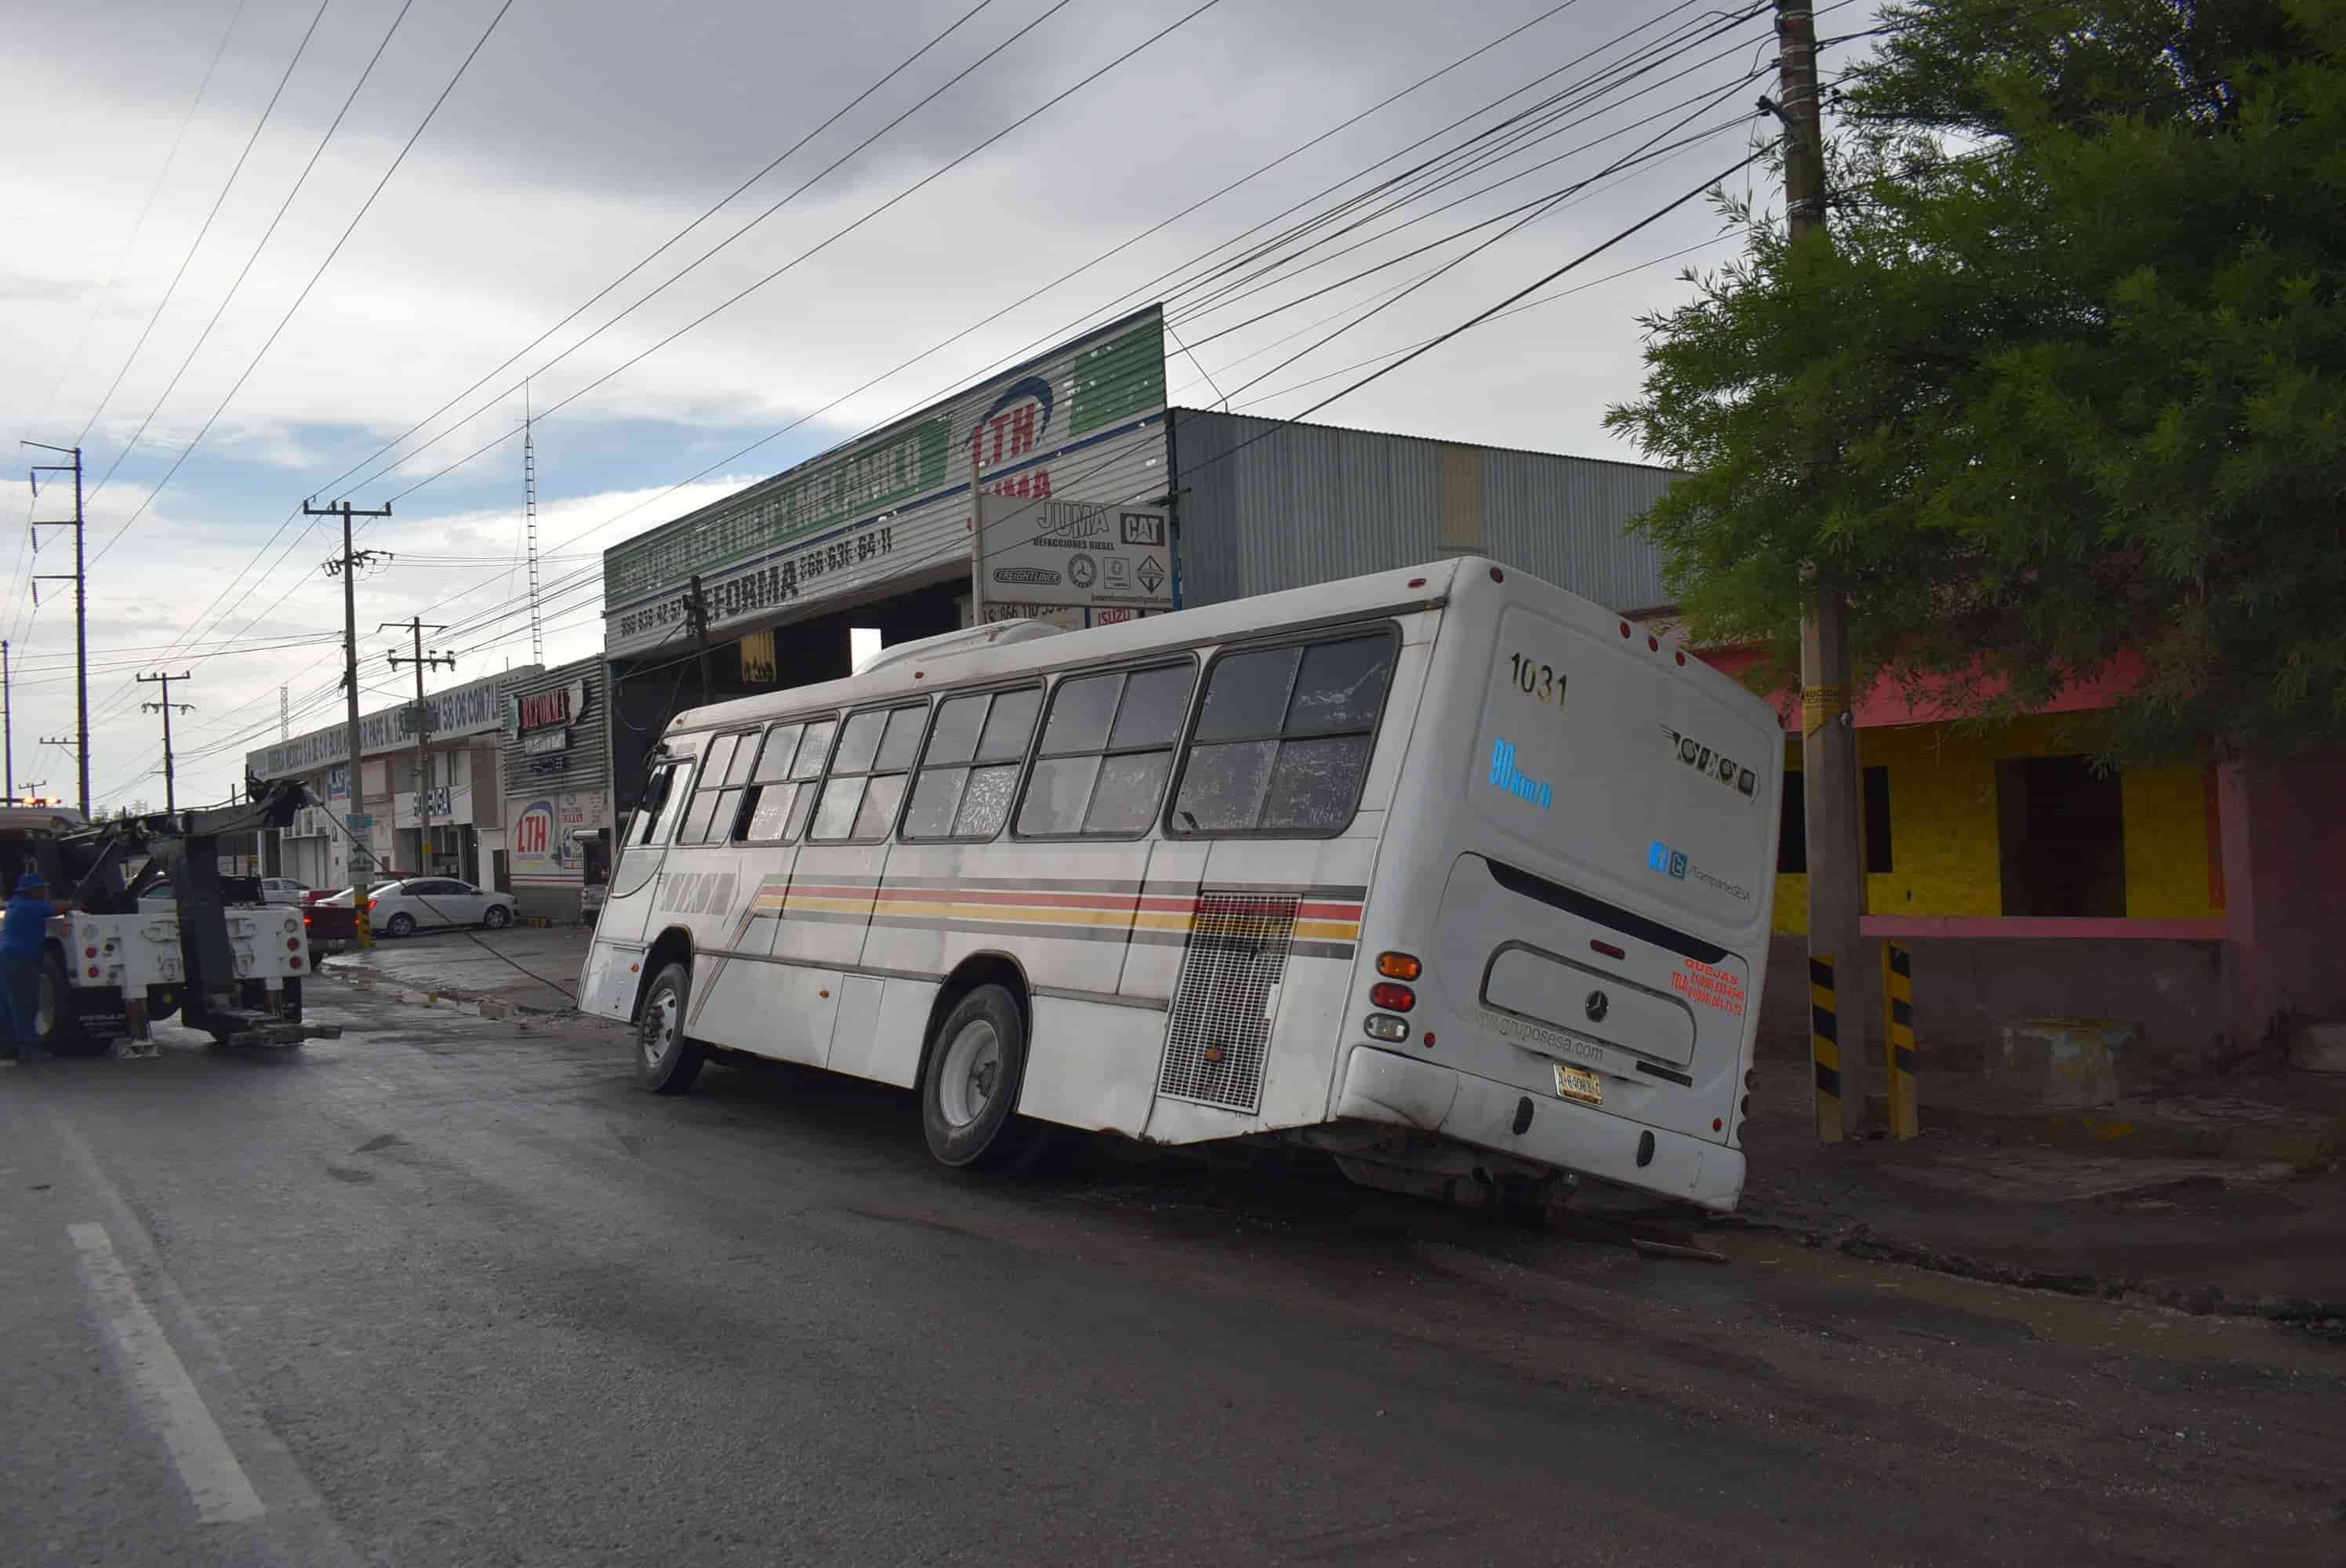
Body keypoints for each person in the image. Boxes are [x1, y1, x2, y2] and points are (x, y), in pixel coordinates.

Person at [1, 871, 67, 1066]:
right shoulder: (30, 906)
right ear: (33, 891)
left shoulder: (17, 904)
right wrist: (75, 903)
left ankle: (8, 1048)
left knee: (8, 1004)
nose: (45, 891)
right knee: (25, 1004)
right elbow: (57, 908)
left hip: (9, 958)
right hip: (21, 960)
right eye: (42, 889)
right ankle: (27, 1049)